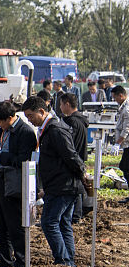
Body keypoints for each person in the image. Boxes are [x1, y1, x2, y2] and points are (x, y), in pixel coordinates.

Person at [22, 96, 84, 266]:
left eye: (31, 116)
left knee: (49, 222)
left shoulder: (55, 129)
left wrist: (82, 174)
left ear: (42, 112)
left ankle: (63, 260)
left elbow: (70, 155)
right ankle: (69, 261)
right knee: (63, 223)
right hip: (59, 184)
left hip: (63, 186)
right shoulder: (49, 128)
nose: (29, 120)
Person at [0, 100, 37, 267]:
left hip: (14, 181)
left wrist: (0, 155)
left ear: (10, 117)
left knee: (14, 222)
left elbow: (23, 159)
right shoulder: (3, 130)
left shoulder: (25, 132)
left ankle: (22, 259)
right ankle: (5, 259)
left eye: (0, 121)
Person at [59, 92, 89, 224]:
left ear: (67, 104)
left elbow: (68, 144)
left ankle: (75, 216)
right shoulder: (82, 120)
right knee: (78, 185)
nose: (60, 107)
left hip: (73, 158)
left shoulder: (71, 121)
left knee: (74, 187)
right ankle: (76, 215)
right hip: (80, 157)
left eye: (60, 104)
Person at [114, 85, 129, 178]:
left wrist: (117, 143)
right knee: (124, 167)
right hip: (126, 144)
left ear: (120, 96)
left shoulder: (127, 109)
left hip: (128, 143)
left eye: (115, 97)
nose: (114, 100)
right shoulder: (123, 107)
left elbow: (126, 128)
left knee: (125, 168)